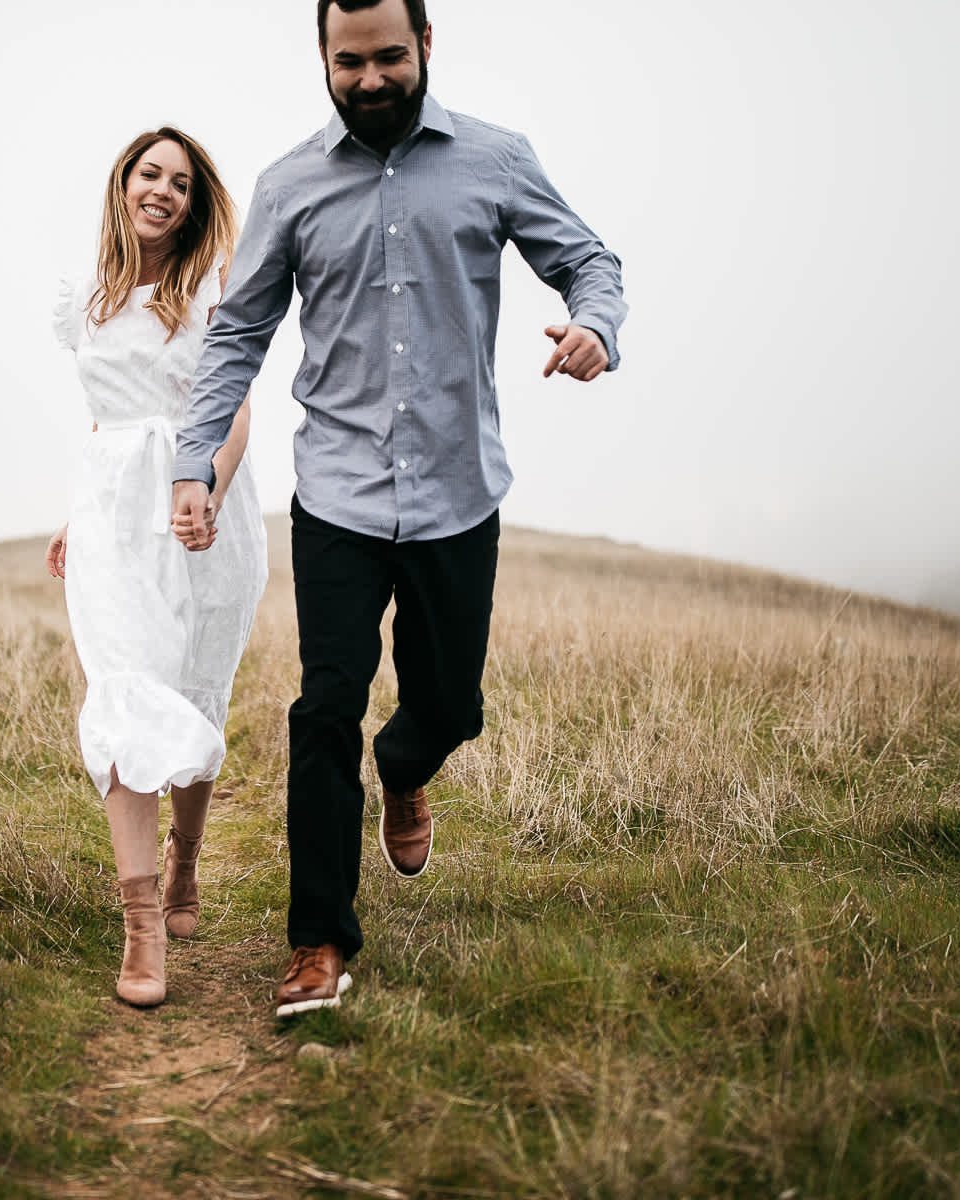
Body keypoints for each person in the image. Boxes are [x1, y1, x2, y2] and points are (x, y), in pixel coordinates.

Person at [170, 0, 627, 1017]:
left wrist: (594, 325)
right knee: (324, 707)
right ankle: (318, 944)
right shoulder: (290, 184)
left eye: (388, 57)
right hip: (335, 492)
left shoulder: (496, 161)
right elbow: (236, 336)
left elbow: (589, 261)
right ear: (324, 60)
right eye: (349, 62)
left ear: (425, 47)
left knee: (448, 706)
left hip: (459, 494)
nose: (370, 79)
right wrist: (195, 461)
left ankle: (406, 763)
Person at [48, 127, 269, 1008]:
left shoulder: (214, 287)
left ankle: (187, 863)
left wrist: (204, 487)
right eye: (151, 175)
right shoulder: (86, 299)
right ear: (124, 184)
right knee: (128, 692)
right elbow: (104, 426)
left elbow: (237, 410)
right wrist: (74, 517)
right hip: (112, 516)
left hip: (202, 510)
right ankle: (142, 924)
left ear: (195, 201)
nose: (164, 192)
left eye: (182, 183)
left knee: (195, 690)